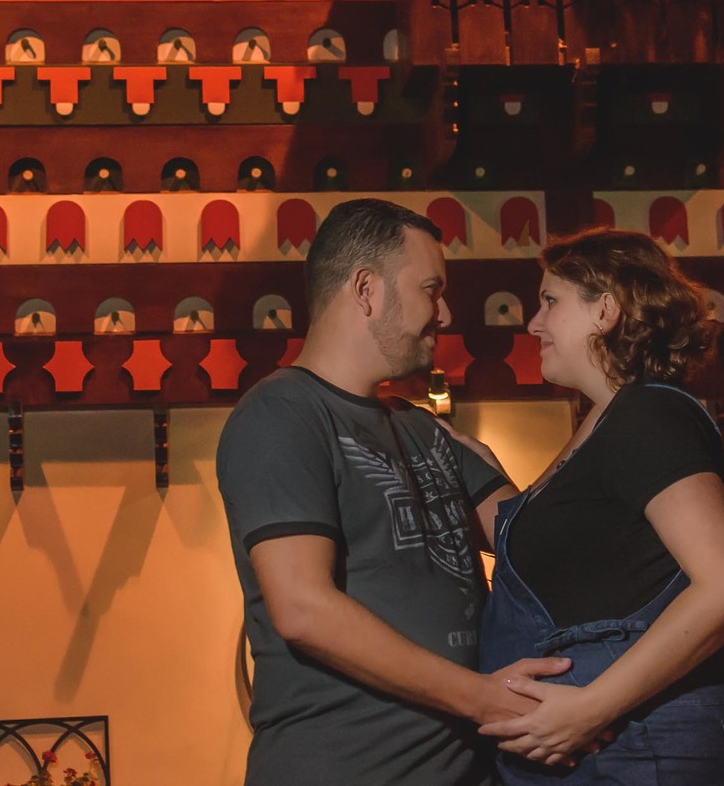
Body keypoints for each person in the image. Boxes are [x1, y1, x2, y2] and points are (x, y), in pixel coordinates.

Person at [216, 198, 569, 786]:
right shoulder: (281, 413)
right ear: (365, 289)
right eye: (431, 288)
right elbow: (303, 609)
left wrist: (605, 399)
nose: (445, 311)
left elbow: (538, 546)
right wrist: (480, 699)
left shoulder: (423, 427)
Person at [469, 227, 724, 784]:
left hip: (654, 744)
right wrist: (465, 462)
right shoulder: (603, 423)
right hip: (626, 748)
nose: (533, 324)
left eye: (550, 302)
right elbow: (548, 553)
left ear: (605, 309)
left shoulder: (648, 415)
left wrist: (589, 709)